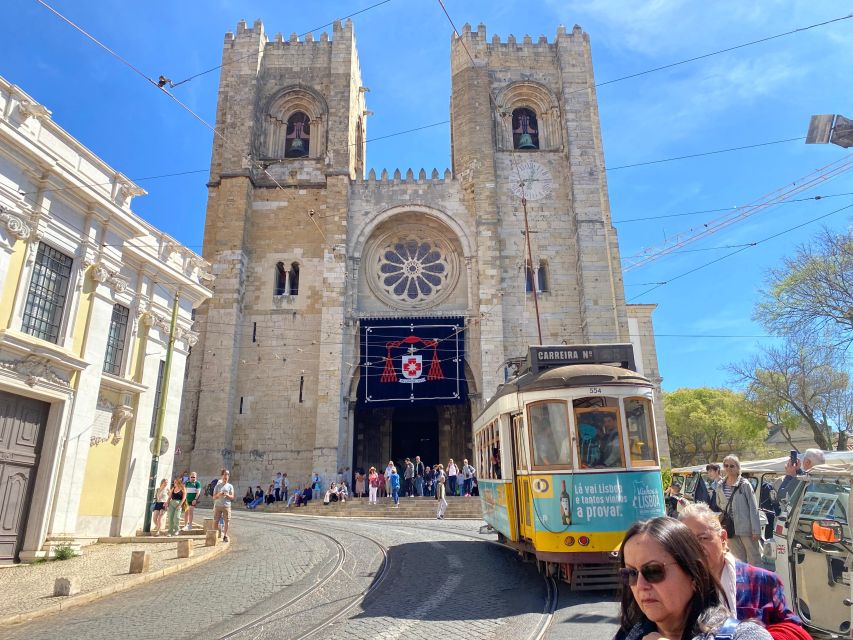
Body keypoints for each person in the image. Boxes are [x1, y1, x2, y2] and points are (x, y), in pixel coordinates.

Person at [615, 516, 772, 640]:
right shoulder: (627, 635)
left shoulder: (744, 635)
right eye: (631, 574)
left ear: (694, 575)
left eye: (653, 571)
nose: (641, 585)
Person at [679, 502, 807, 640]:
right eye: (688, 542)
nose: (696, 548)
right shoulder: (678, 588)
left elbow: (794, 630)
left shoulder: (762, 581)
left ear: (722, 538)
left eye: (703, 538)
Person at [714, 455, 762, 566]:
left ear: (738, 468)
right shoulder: (720, 485)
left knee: (754, 557)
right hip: (730, 527)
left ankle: (758, 581)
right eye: (726, 465)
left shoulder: (744, 484)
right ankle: (742, 582)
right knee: (737, 559)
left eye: (732, 466)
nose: (729, 468)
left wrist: (756, 530)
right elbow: (719, 504)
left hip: (746, 528)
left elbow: (753, 507)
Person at [213, 470, 235, 542]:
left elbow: (232, 497)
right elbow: (214, 497)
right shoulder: (217, 486)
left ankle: (225, 536)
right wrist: (219, 494)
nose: (226, 476)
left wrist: (227, 495)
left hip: (226, 506)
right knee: (216, 521)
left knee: (227, 521)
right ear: (222, 476)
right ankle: (214, 536)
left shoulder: (230, 486)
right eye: (225, 474)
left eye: (228, 475)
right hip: (218, 506)